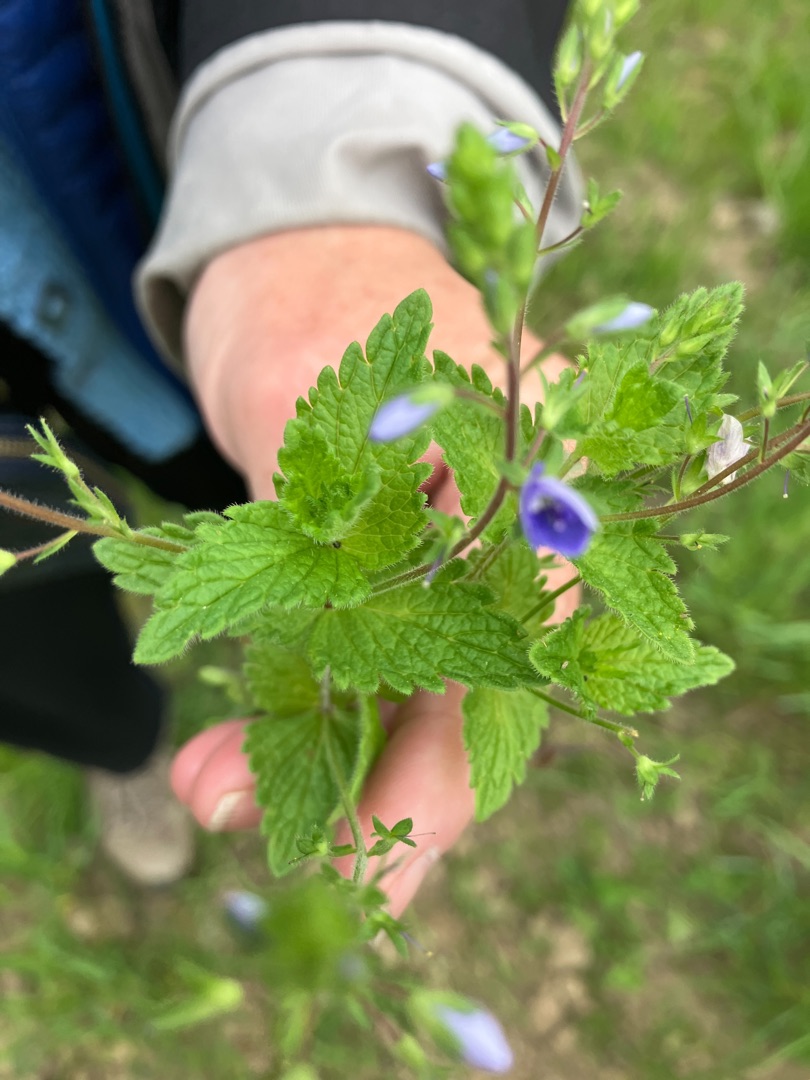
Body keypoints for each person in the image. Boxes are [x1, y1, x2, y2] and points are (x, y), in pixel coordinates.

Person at [0, 0, 579, 912]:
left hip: (124, 225)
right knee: (30, 638)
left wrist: (321, 195)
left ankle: (145, 716)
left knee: (231, 484)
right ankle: (117, 747)